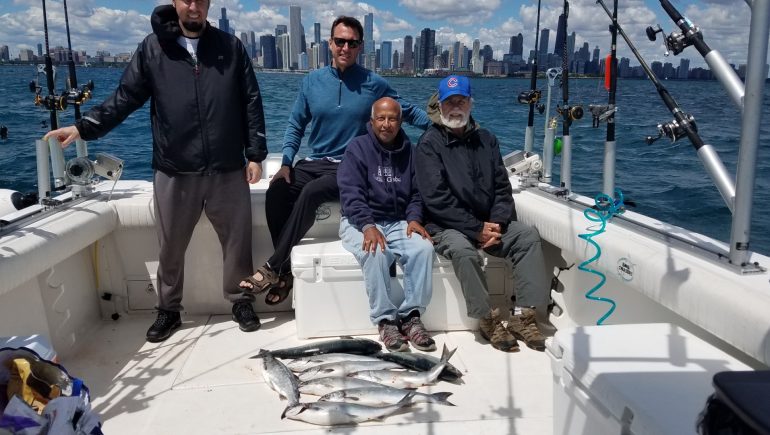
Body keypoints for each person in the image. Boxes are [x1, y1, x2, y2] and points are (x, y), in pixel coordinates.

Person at [43, 0, 267, 342]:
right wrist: (84, 127)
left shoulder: (230, 47)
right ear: (175, 2)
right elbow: (125, 97)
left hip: (226, 166)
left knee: (237, 242)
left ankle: (240, 299)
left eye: (201, 0)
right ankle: (168, 309)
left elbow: (251, 99)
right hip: (174, 168)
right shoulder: (152, 48)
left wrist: (255, 154)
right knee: (170, 246)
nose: (194, 6)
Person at [239, 16, 430, 305]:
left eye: (352, 43)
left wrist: (446, 129)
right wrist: (287, 162)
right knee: (277, 191)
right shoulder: (312, 82)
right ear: (329, 44)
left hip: (352, 166)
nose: (345, 47)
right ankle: (286, 272)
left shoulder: (373, 84)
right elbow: (295, 124)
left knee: (313, 192)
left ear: (360, 47)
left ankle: (273, 267)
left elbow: (407, 112)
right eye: (339, 41)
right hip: (315, 161)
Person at [415, 75, 550, 353]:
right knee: (464, 252)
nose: (455, 107)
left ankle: (523, 317)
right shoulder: (429, 144)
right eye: (449, 101)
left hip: (488, 222)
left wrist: (497, 224)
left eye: (461, 101)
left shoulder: (487, 139)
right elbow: (436, 199)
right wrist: (476, 229)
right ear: (439, 106)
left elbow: (502, 187)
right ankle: (487, 319)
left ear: (470, 103)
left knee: (526, 237)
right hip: (446, 225)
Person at [338, 97, 436, 352]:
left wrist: (414, 218)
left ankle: (411, 317)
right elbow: (351, 194)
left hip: (398, 221)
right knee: (376, 251)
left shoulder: (411, 152)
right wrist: (368, 225)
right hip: (359, 221)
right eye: (381, 118)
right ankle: (385, 321)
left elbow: (418, 193)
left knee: (423, 249)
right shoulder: (357, 149)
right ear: (372, 121)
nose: (386, 124)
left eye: (392, 118)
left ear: (400, 122)